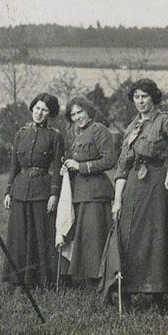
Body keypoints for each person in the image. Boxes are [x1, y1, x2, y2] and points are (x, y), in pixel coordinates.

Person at [100, 78, 168, 305]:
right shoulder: (131, 127)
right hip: (132, 188)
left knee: (155, 239)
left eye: (144, 96)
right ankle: (126, 289)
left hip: (156, 187)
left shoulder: (165, 120)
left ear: (154, 97)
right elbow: (122, 166)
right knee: (127, 236)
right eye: (136, 97)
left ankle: (157, 291)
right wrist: (117, 200)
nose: (140, 101)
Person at [2, 93, 65, 290]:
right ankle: (18, 280)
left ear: (50, 113)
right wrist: (8, 192)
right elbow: (14, 167)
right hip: (20, 190)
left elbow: (57, 169)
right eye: (37, 108)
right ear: (32, 109)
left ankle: (43, 281)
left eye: (44, 110)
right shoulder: (21, 133)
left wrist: (54, 194)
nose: (39, 113)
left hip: (42, 190)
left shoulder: (55, 136)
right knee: (19, 236)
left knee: (41, 235)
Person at [61, 96, 117, 286]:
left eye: (80, 112)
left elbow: (110, 160)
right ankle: (90, 279)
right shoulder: (79, 135)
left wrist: (81, 166)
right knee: (86, 238)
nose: (77, 117)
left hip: (96, 193)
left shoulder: (99, 131)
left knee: (96, 238)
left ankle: (100, 279)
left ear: (88, 111)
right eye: (73, 114)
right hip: (81, 193)